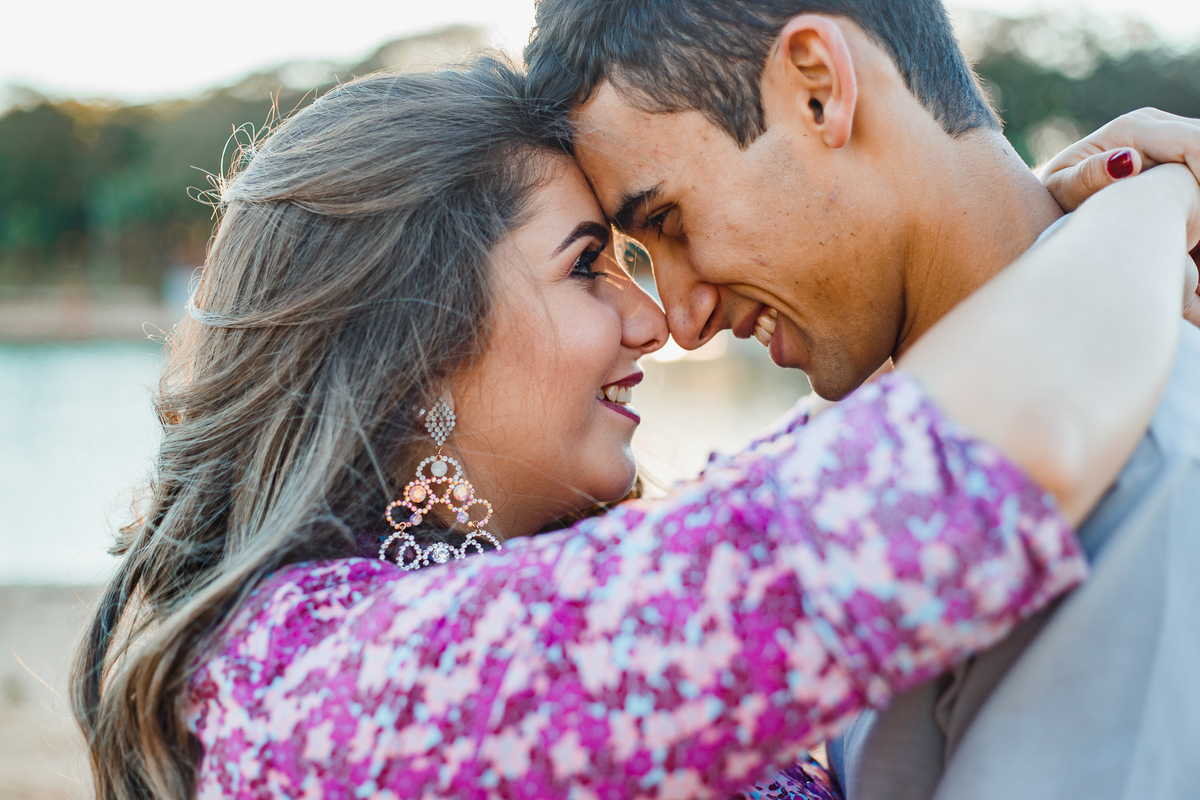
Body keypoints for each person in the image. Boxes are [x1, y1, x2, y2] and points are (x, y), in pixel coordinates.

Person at [70, 61, 1198, 800]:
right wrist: (1149, 203)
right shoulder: (319, 681)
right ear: (410, 352)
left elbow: (824, 465)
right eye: (586, 268)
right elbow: (930, 482)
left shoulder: (480, 601)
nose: (656, 322)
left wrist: (1018, 224)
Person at [523, 1, 1200, 797]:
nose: (681, 321)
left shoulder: (1143, 464)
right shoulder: (874, 457)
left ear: (818, 89)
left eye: (668, 220)